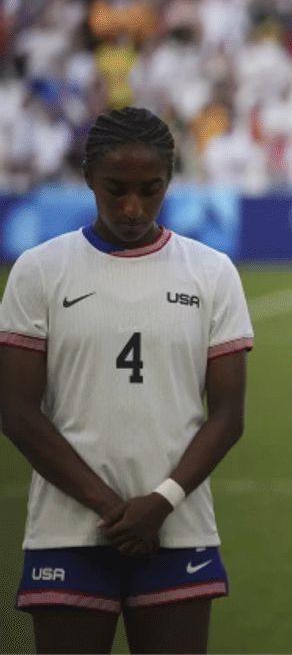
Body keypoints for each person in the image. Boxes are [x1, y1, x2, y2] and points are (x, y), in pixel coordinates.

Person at [0, 106, 253, 653]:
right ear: (89, 177)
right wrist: (112, 509)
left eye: (151, 188)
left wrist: (159, 502)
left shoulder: (211, 273)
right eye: (116, 189)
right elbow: (17, 412)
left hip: (177, 528)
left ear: (170, 180)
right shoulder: (40, 270)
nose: (133, 207)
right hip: (68, 530)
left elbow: (229, 417)